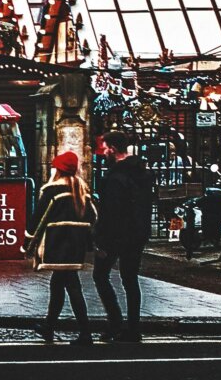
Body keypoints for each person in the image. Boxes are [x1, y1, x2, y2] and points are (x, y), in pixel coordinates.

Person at [91, 131, 153, 343]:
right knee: (130, 280)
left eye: (105, 148)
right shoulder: (141, 173)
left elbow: (111, 212)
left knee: (100, 275)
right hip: (137, 234)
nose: (103, 153)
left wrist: (101, 240)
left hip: (116, 236)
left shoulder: (115, 177)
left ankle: (115, 322)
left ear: (114, 149)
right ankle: (133, 328)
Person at [28, 151, 95, 345]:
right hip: (75, 247)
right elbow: (93, 217)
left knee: (72, 286)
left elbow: (38, 218)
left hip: (57, 244)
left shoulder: (52, 191)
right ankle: (49, 327)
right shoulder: (82, 190)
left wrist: (28, 243)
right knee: (58, 284)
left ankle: (85, 332)